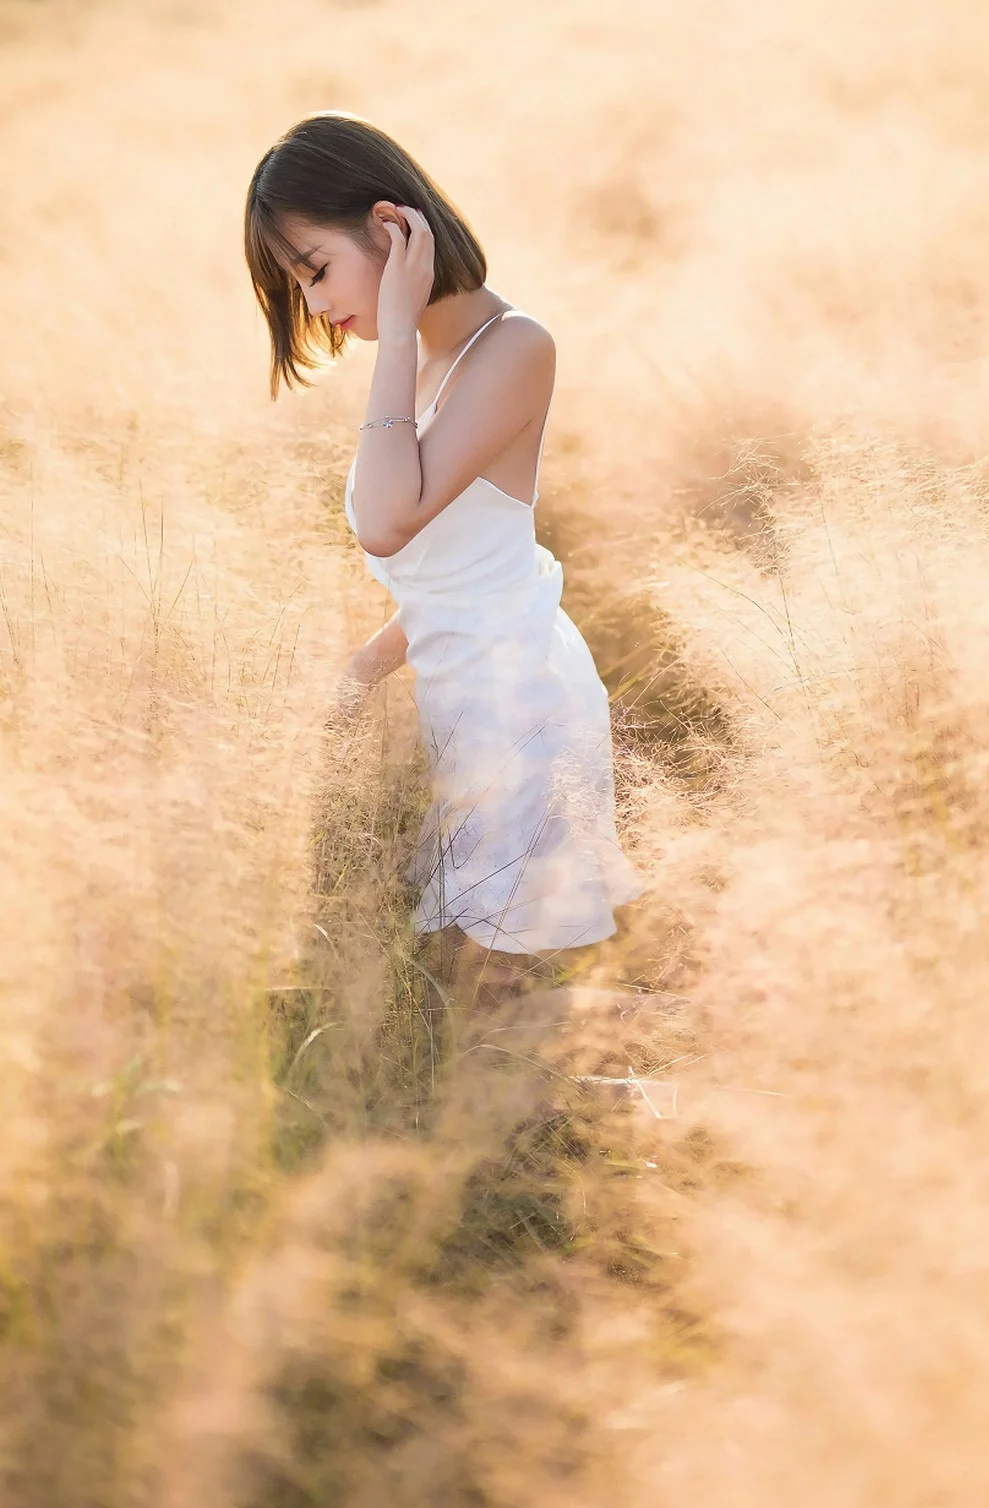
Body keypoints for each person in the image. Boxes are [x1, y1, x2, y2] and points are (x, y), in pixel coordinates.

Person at [244, 113, 644, 988]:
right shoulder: (426, 362)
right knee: (478, 998)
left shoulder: (514, 347)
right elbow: (459, 576)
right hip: (463, 705)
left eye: (315, 271)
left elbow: (389, 523)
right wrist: (363, 668)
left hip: (515, 712)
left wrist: (393, 330)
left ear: (390, 227)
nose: (315, 306)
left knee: (498, 1005)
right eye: (298, 287)